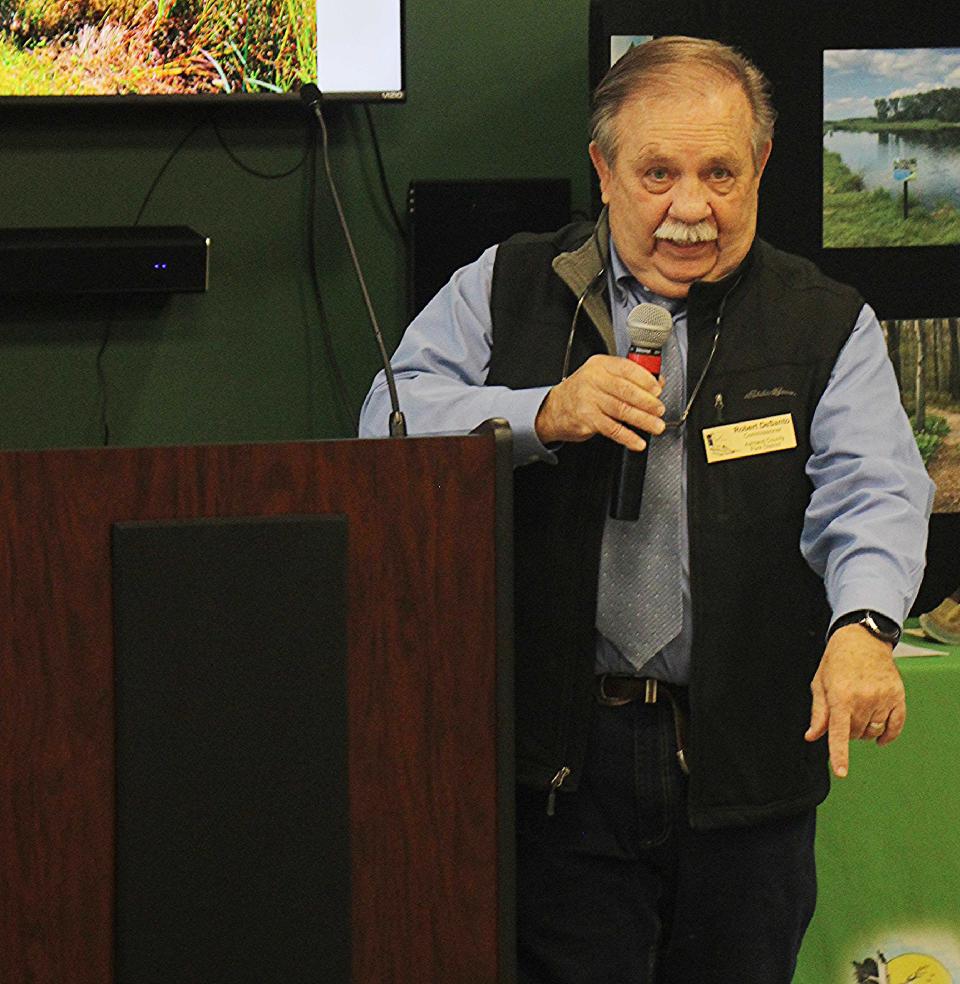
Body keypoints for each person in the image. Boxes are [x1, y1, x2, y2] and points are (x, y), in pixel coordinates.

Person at [360, 35, 934, 984]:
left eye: (720, 172)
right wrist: (537, 413)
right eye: (658, 173)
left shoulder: (823, 319)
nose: (691, 208)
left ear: (762, 167)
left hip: (743, 766)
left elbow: (874, 487)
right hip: (558, 767)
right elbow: (385, 418)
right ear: (604, 170)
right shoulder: (505, 285)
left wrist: (866, 626)